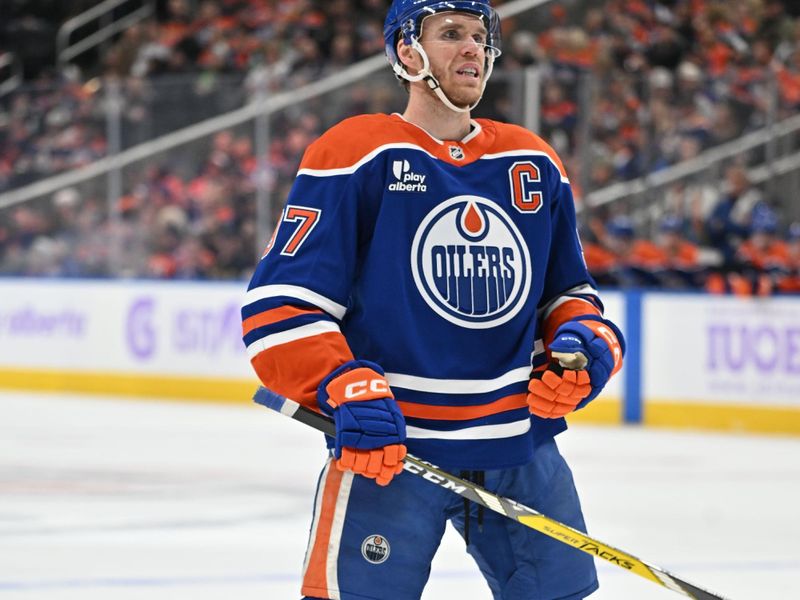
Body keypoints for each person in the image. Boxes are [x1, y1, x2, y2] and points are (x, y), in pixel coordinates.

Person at [241, 1, 625, 599]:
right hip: (392, 452)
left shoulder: (532, 160)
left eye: (480, 36)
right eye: (450, 34)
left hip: (518, 448)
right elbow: (280, 305)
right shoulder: (355, 152)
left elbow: (569, 296)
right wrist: (341, 383)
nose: (472, 48)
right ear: (406, 52)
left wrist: (585, 345)